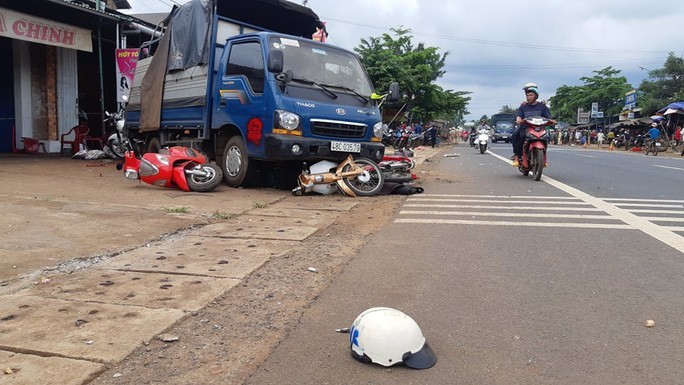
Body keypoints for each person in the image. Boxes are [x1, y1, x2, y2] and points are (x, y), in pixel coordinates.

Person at [511, 82, 555, 166]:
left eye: (531, 95)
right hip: (525, 127)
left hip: (539, 128)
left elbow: (548, 117)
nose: (529, 97)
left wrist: (551, 121)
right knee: (516, 135)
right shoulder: (523, 106)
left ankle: (543, 159)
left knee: (547, 137)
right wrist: (519, 119)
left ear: (536, 95)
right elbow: (519, 116)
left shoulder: (542, 106)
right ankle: (517, 155)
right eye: (527, 95)